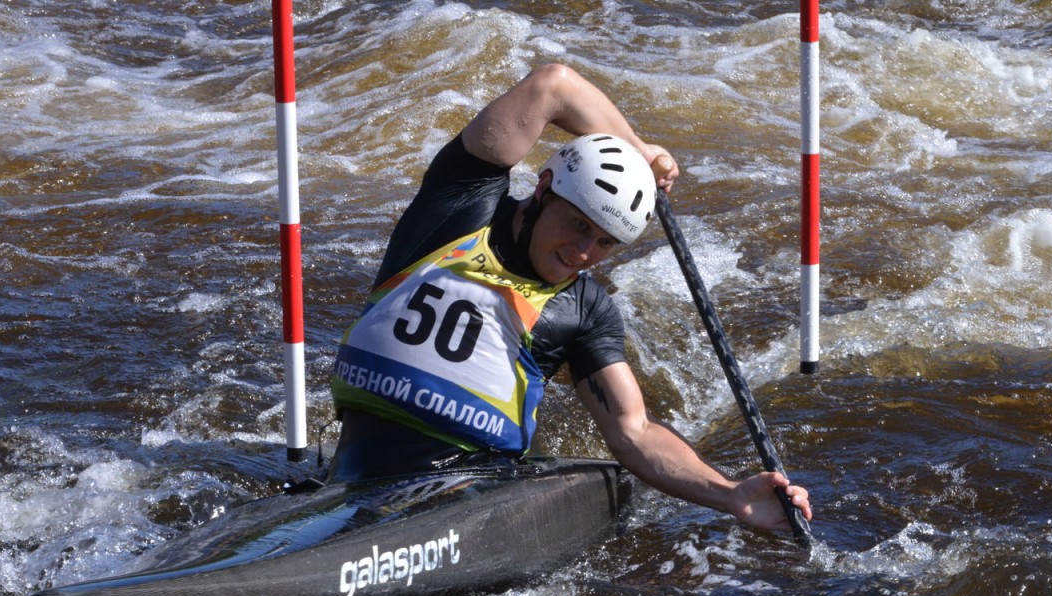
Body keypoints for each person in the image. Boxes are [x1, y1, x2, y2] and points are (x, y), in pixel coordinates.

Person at [328, 63, 811, 535]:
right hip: (353, 481)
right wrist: (640, 151)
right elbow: (552, 86)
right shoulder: (458, 203)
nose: (582, 253)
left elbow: (634, 432)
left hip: (464, 494)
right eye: (578, 224)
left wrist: (731, 495)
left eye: (604, 243)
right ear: (543, 189)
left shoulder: (584, 310)